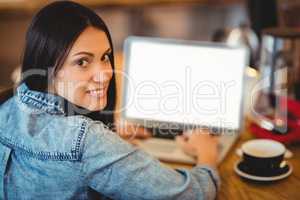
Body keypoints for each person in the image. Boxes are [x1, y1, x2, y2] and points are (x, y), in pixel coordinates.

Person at [0, 1, 220, 199]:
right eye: (82, 62)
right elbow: (193, 194)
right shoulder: (88, 141)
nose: (105, 73)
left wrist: (110, 136)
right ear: (47, 67)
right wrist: (207, 152)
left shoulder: (8, 103)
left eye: (105, 57)